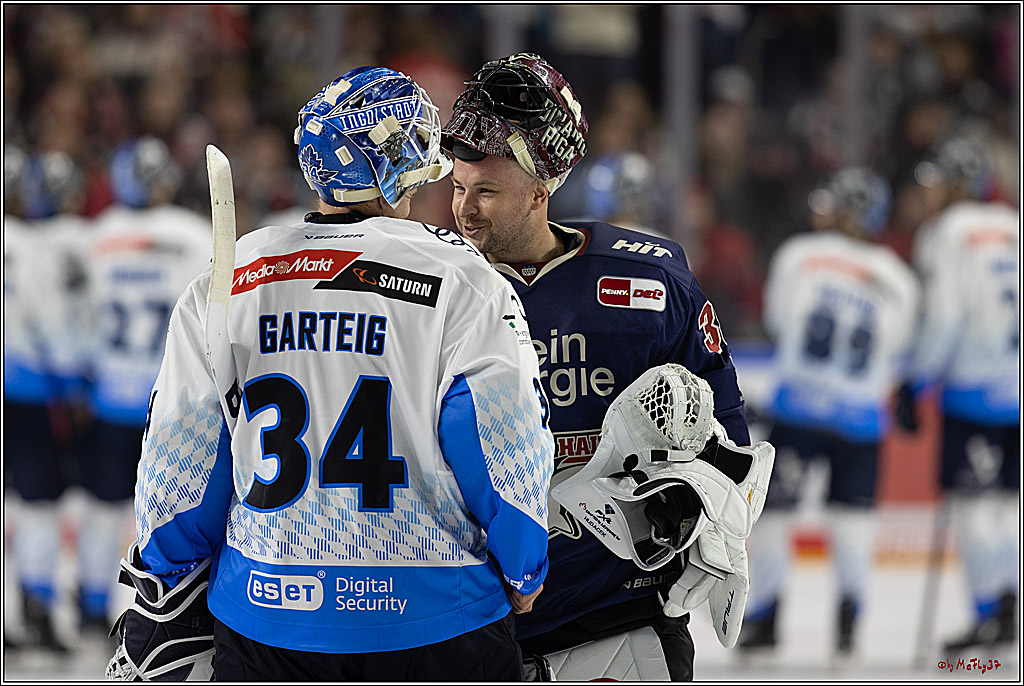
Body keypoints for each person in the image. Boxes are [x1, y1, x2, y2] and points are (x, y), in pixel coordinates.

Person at [116, 66, 553, 681]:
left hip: (266, 616)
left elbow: (183, 458)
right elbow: (497, 443)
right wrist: (524, 567)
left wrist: (164, 577)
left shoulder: (229, 275)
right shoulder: (464, 279)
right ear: (402, 154)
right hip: (436, 620)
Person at [441, 52, 750, 681]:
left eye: (487, 191)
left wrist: (698, 507)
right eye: (456, 187)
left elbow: (728, 437)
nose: (465, 210)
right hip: (465, 625)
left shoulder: (652, 278)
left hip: (619, 624)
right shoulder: (430, 286)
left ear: (541, 188)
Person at [739, 168, 919, 657]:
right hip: (860, 418)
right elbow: (900, 345)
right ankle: (849, 618)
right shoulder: (898, 278)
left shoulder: (800, 255)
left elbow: (778, 321)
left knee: (776, 517)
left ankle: (766, 618)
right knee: (852, 523)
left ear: (840, 209)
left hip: (798, 408)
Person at [79, 136, 213, 632]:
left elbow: (79, 310)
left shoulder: (99, 236)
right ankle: (145, 613)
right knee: (159, 512)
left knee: (101, 504)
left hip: (108, 391)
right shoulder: (191, 234)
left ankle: (92, 602)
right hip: (169, 397)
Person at [897, 136, 1019, 653]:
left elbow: (944, 315)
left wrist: (916, 380)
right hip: (1015, 383)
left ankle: (991, 609)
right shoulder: (1014, 225)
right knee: (1008, 506)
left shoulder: (945, 232)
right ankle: (1008, 602)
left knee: (973, 507)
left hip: (971, 388)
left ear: (954, 183)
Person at [4, 149, 91, 653]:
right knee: (38, 506)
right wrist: (73, 385)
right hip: (27, 390)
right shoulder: (32, 246)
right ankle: (35, 611)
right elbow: (49, 323)